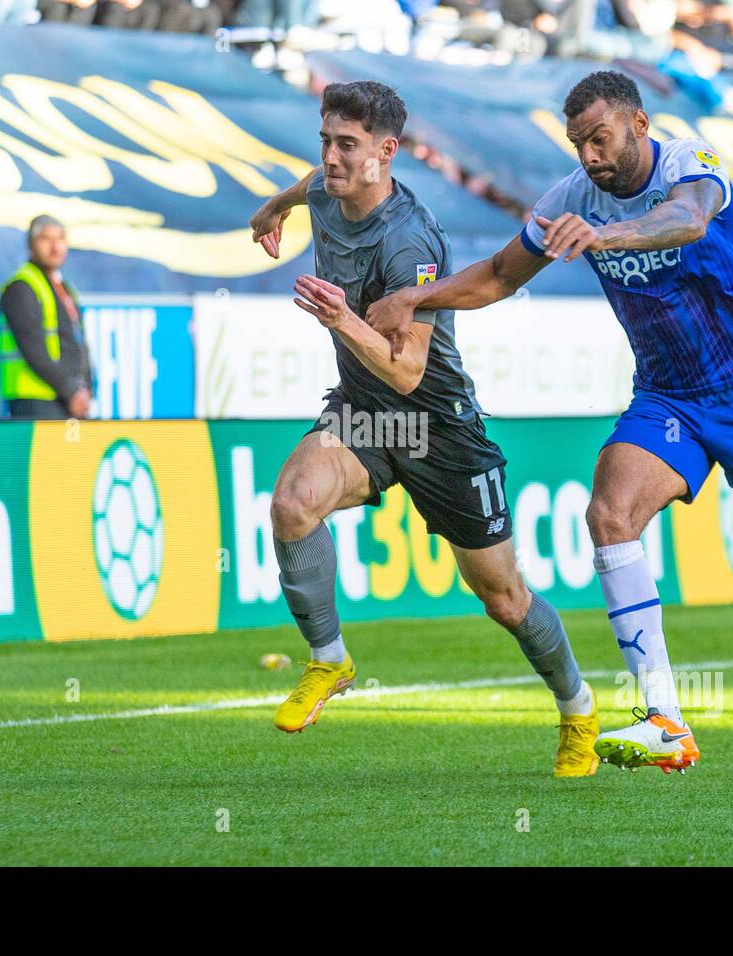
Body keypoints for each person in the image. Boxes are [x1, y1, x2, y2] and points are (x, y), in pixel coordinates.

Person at [368, 70, 733, 775]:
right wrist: (418, 300)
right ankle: (665, 716)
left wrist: (605, 235)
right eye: (578, 144)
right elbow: (502, 275)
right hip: (668, 398)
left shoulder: (693, 165)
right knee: (609, 513)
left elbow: (685, 220)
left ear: (640, 125)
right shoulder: (571, 197)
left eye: (600, 139)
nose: (590, 157)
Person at [248, 81, 601, 778]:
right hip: (363, 414)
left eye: (347, 145)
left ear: (386, 152)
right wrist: (272, 209)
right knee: (292, 505)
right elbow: (309, 185)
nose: (330, 156)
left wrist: (341, 317)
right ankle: (330, 660)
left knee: (505, 600)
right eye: (325, 140)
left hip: (437, 428)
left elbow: (408, 372)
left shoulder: (409, 239)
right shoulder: (326, 186)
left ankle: (578, 706)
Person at [0, 215, 94, 420]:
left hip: (67, 399)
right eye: (45, 239)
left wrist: (85, 388)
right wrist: (71, 392)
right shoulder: (22, 287)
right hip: (35, 400)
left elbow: (75, 342)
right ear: (31, 245)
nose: (54, 247)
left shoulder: (64, 288)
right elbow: (33, 349)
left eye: (60, 239)